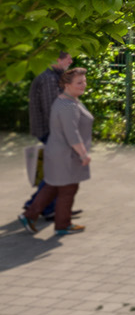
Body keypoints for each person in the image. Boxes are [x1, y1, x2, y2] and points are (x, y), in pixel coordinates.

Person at [23, 68, 93, 237]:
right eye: (79, 82)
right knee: (68, 189)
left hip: (59, 153)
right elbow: (72, 134)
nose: (83, 85)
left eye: (84, 81)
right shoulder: (67, 105)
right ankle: (62, 225)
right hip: (65, 155)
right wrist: (83, 154)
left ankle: (30, 216)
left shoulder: (67, 100)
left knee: (53, 186)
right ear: (66, 85)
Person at [18, 54, 72, 231]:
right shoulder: (49, 79)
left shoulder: (53, 77)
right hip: (51, 131)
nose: (71, 62)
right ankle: (42, 208)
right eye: (68, 59)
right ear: (57, 60)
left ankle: (37, 206)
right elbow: (52, 109)